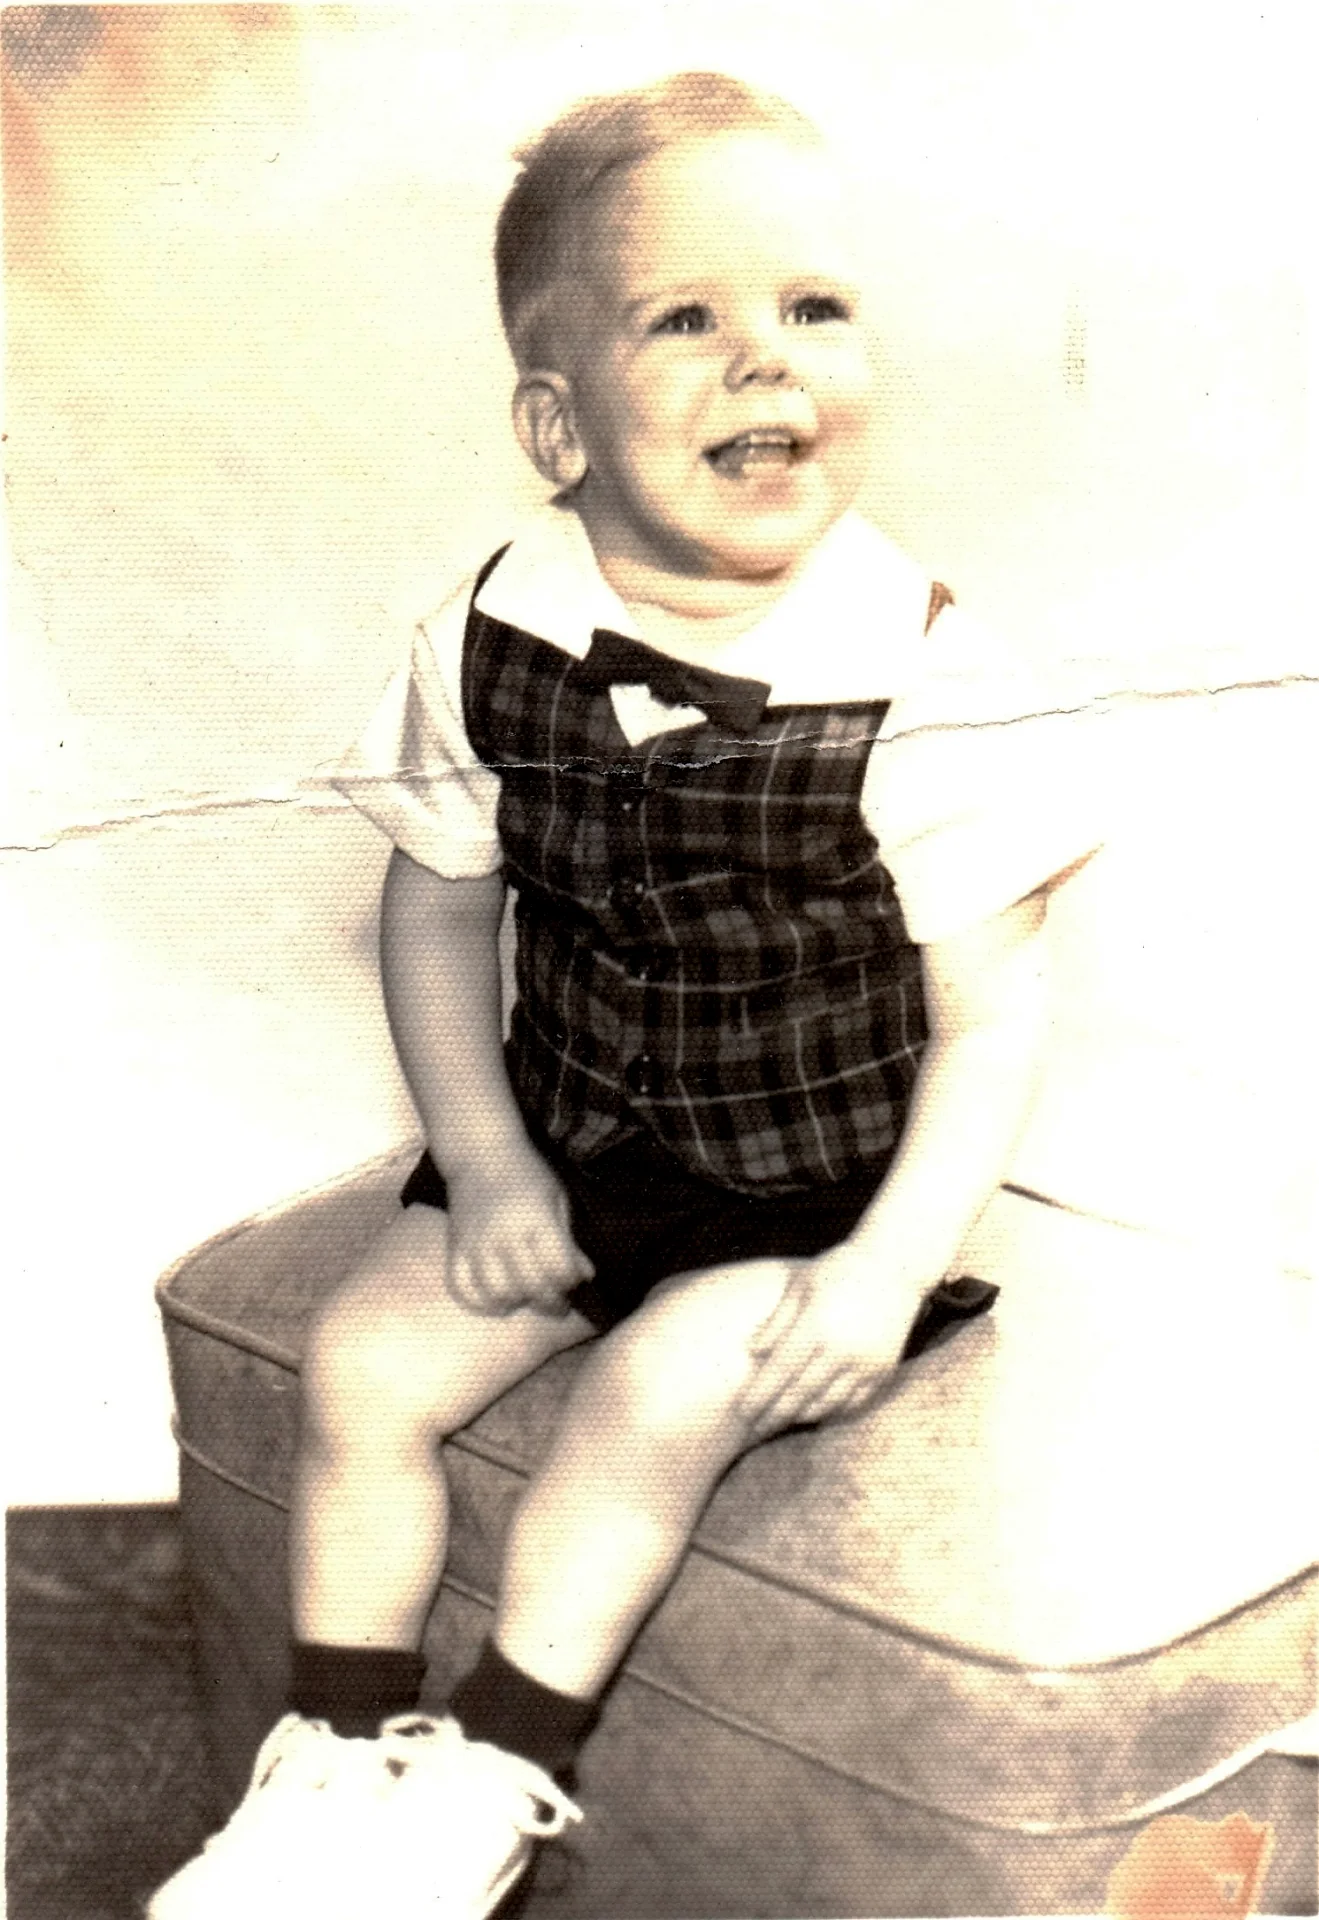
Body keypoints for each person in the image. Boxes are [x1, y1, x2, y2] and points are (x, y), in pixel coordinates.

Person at [150, 69, 1099, 1920]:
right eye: (686, 318)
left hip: (812, 1185)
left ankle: (493, 1771)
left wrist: (883, 1268)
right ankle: (335, 1757)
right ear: (556, 419)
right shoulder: (488, 625)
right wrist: (495, 1165)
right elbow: (438, 913)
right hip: (575, 1134)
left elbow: (992, 1018)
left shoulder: (930, 678)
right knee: (364, 1362)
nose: (767, 360)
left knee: (656, 1391)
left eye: (813, 306)